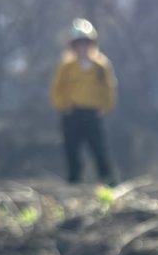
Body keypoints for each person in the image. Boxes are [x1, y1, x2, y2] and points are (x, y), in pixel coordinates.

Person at [50, 19, 118, 185]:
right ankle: (74, 182)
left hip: (93, 113)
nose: (82, 47)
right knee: (72, 150)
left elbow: (109, 87)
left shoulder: (101, 65)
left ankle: (108, 182)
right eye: (79, 44)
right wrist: (62, 106)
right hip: (72, 113)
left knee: (99, 149)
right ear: (73, 46)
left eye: (86, 43)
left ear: (92, 44)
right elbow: (57, 88)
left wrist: (106, 107)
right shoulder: (67, 66)